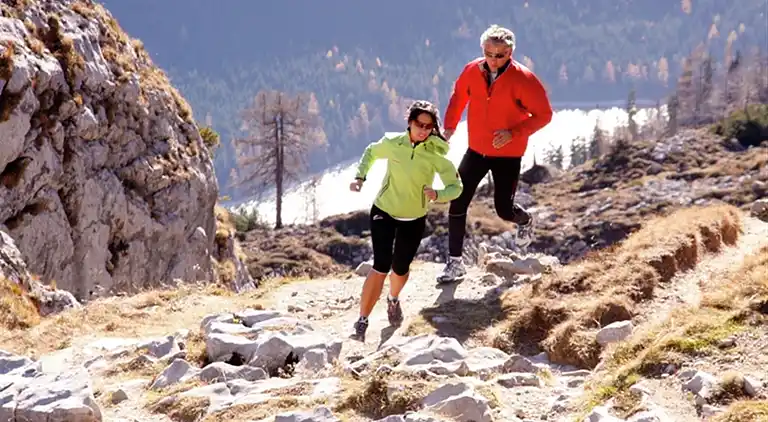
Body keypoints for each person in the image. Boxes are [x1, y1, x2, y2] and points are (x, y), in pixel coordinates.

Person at [438, 24, 554, 284]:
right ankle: (455, 263)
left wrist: (514, 133)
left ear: (510, 52)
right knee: (457, 200)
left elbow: (544, 115)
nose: (493, 60)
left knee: (503, 209)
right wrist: (450, 127)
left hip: (508, 154)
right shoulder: (472, 70)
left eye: (499, 55)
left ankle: (525, 220)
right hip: (477, 149)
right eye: (488, 54)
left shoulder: (524, 79)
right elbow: (459, 97)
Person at [348, 100, 463, 341]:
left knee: (400, 268)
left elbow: (456, 186)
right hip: (384, 210)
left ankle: (393, 299)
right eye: (419, 124)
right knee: (381, 265)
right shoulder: (393, 143)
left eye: (428, 127)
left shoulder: (435, 155)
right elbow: (371, 151)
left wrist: (438, 194)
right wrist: (360, 177)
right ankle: (362, 321)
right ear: (409, 122)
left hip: (413, 218)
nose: (423, 130)